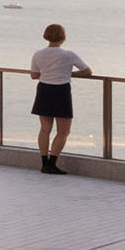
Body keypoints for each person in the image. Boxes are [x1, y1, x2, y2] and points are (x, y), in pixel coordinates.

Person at [28, 23, 92, 172]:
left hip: (44, 90)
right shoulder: (68, 55)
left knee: (45, 129)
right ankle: (52, 163)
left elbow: (34, 75)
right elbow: (87, 71)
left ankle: (44, 163)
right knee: (63, 131)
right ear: (63, 37)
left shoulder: (38, 54)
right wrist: (68, 73)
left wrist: (48, 73)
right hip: (61, 91)